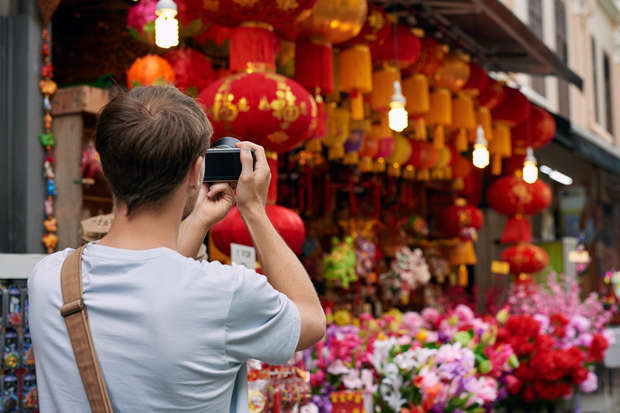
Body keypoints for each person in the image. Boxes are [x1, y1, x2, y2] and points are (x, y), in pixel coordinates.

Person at [28, 86, 326, 412]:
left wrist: (199, 219)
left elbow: (155, 281)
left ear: (104, 165)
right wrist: (254, 211)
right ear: (197, 172)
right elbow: (311, 320)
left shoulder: (49, 280)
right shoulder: (226, 293)